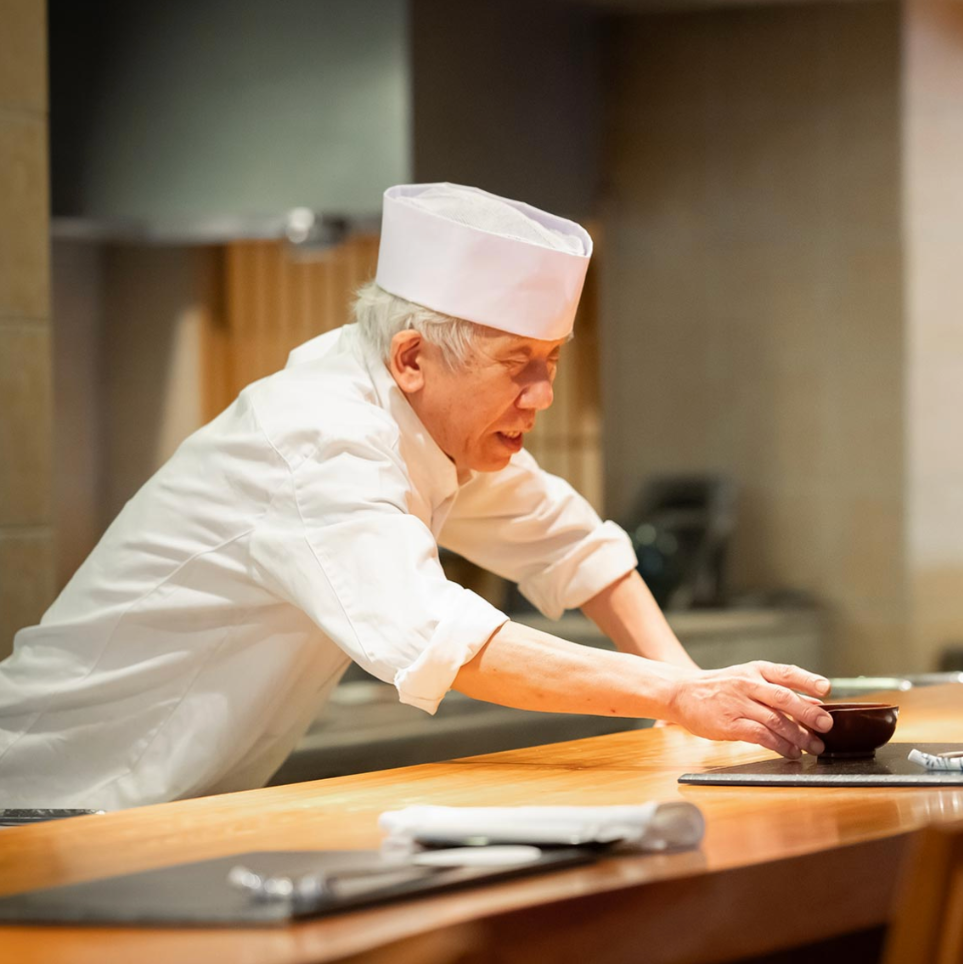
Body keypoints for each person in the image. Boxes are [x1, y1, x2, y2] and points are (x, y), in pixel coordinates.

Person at [0, 183, 832, 809]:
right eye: (519, 364)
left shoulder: (430, 425)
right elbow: (447, 641)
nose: (543, 394)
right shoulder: (321, 436)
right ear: (411, 358)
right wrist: (679, 696)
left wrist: (685, 688)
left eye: (553, 359)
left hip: (151, 806)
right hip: (44, 800)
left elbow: (568, 543)